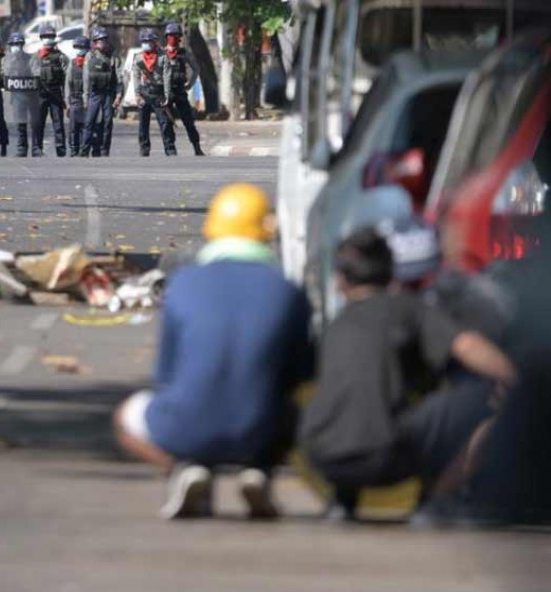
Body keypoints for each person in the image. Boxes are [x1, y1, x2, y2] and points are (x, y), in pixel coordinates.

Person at [113, 183, 314, 520]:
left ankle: (185, 467)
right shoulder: (287, 290)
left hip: (185, 426)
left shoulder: (183, 284)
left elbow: (166, 374)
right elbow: (302, 374)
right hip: (261, 427)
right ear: (267, 230)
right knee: (303, 406)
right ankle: (260, 470)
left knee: (125, 416)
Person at [298, 227, 517, 522]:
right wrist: (519, 380)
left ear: (340, 282)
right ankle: (437, 502)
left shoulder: (332, 326)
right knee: (487, 403)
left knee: (354, 408)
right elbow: (468, 346)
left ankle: (343, 500)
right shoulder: (409, 308)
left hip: (320, 456)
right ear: (392, 275)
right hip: (383, 456)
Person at [79, 26, 122, 158]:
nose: (102, 43)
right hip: (94, 94)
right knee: (89, 122)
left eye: (104, 40)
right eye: (99, 40)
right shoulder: (89, 56)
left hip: (108, 94)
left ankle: (104, 151)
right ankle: (84, 150)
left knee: (107, 122)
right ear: (94, 42)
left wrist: (119, 95)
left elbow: (119, 78)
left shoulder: (113, 57)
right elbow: (86, 78)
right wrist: (85, 97)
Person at [163, 22, 204, 156]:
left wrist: (190, 84)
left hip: (180, 91)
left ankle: (197, 148)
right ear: (167, 37)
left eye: (175, 36)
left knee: (189, 121)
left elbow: (196, 69)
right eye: (170, 35)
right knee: (167, 123)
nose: (173, 38)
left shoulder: (183, 53)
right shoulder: (162, 54)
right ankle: (170, 150)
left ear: (180, 37)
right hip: (166, 93)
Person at [134, 28, 176, 157]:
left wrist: (167, 96)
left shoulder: (163, 57)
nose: (146, 43)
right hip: (145, 93)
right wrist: (137, 95)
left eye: (149, 41)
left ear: (154, 42)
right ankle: (144, 149)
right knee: (143, 124)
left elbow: (167, 77)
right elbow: (135, 76)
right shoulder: (138, 57)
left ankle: (170, 149)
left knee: (165, 123)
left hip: (159, 94)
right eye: (144, 41)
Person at [30, 24, 68, 157]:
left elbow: (66, 77)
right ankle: (36, 148)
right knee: (38, 122)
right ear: (41, 38)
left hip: (55, 93)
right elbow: (31, 76)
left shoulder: (61, 57)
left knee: (58, 123)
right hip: (40, 94)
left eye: (50, 36)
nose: (48, 39)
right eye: (45, 36)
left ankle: (61, 148)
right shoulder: (36, 57)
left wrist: (65, 97)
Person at [66, 35, 89, 157]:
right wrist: (67, 101)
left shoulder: (90, 62)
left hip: (86, 100)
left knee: (86, 126)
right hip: (74, 98)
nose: (79, 49)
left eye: (81, 47)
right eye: (77, 47)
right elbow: (68, 83)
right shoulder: (72, 63)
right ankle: (74, 149)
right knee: (73, 127)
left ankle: (84, 149)